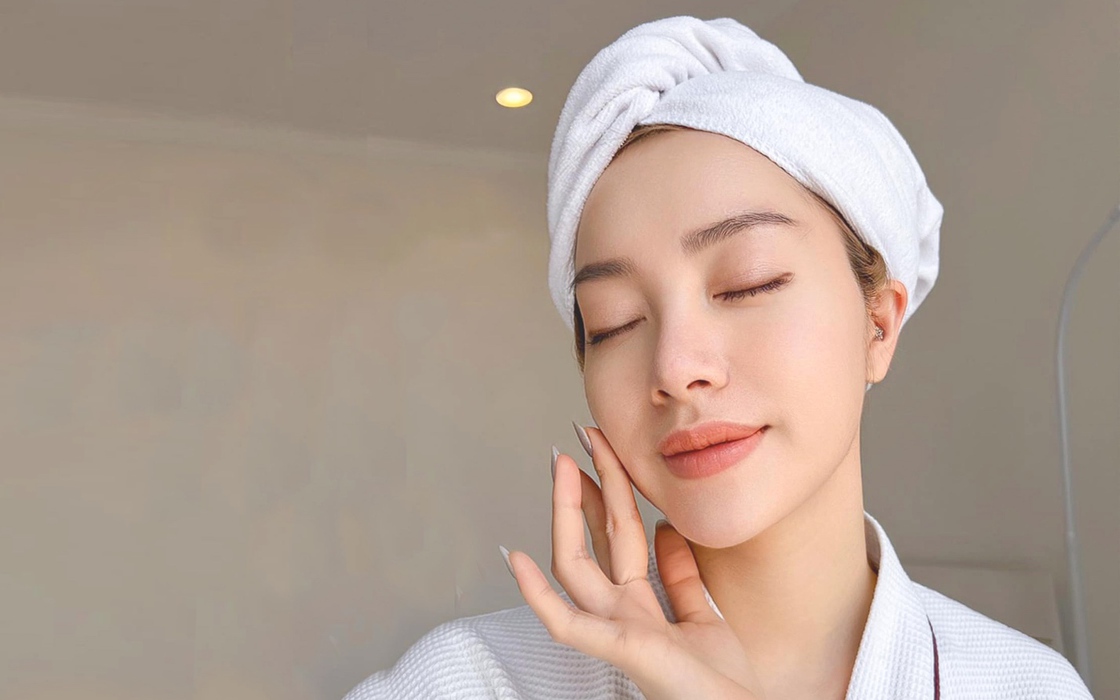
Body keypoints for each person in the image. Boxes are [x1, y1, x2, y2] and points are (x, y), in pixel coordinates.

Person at [343, 16, 1093, 700]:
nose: (675, 368)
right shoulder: (470, 682)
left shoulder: (1027, 688)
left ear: (878, 323)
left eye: (747, 283)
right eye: (614, 322)